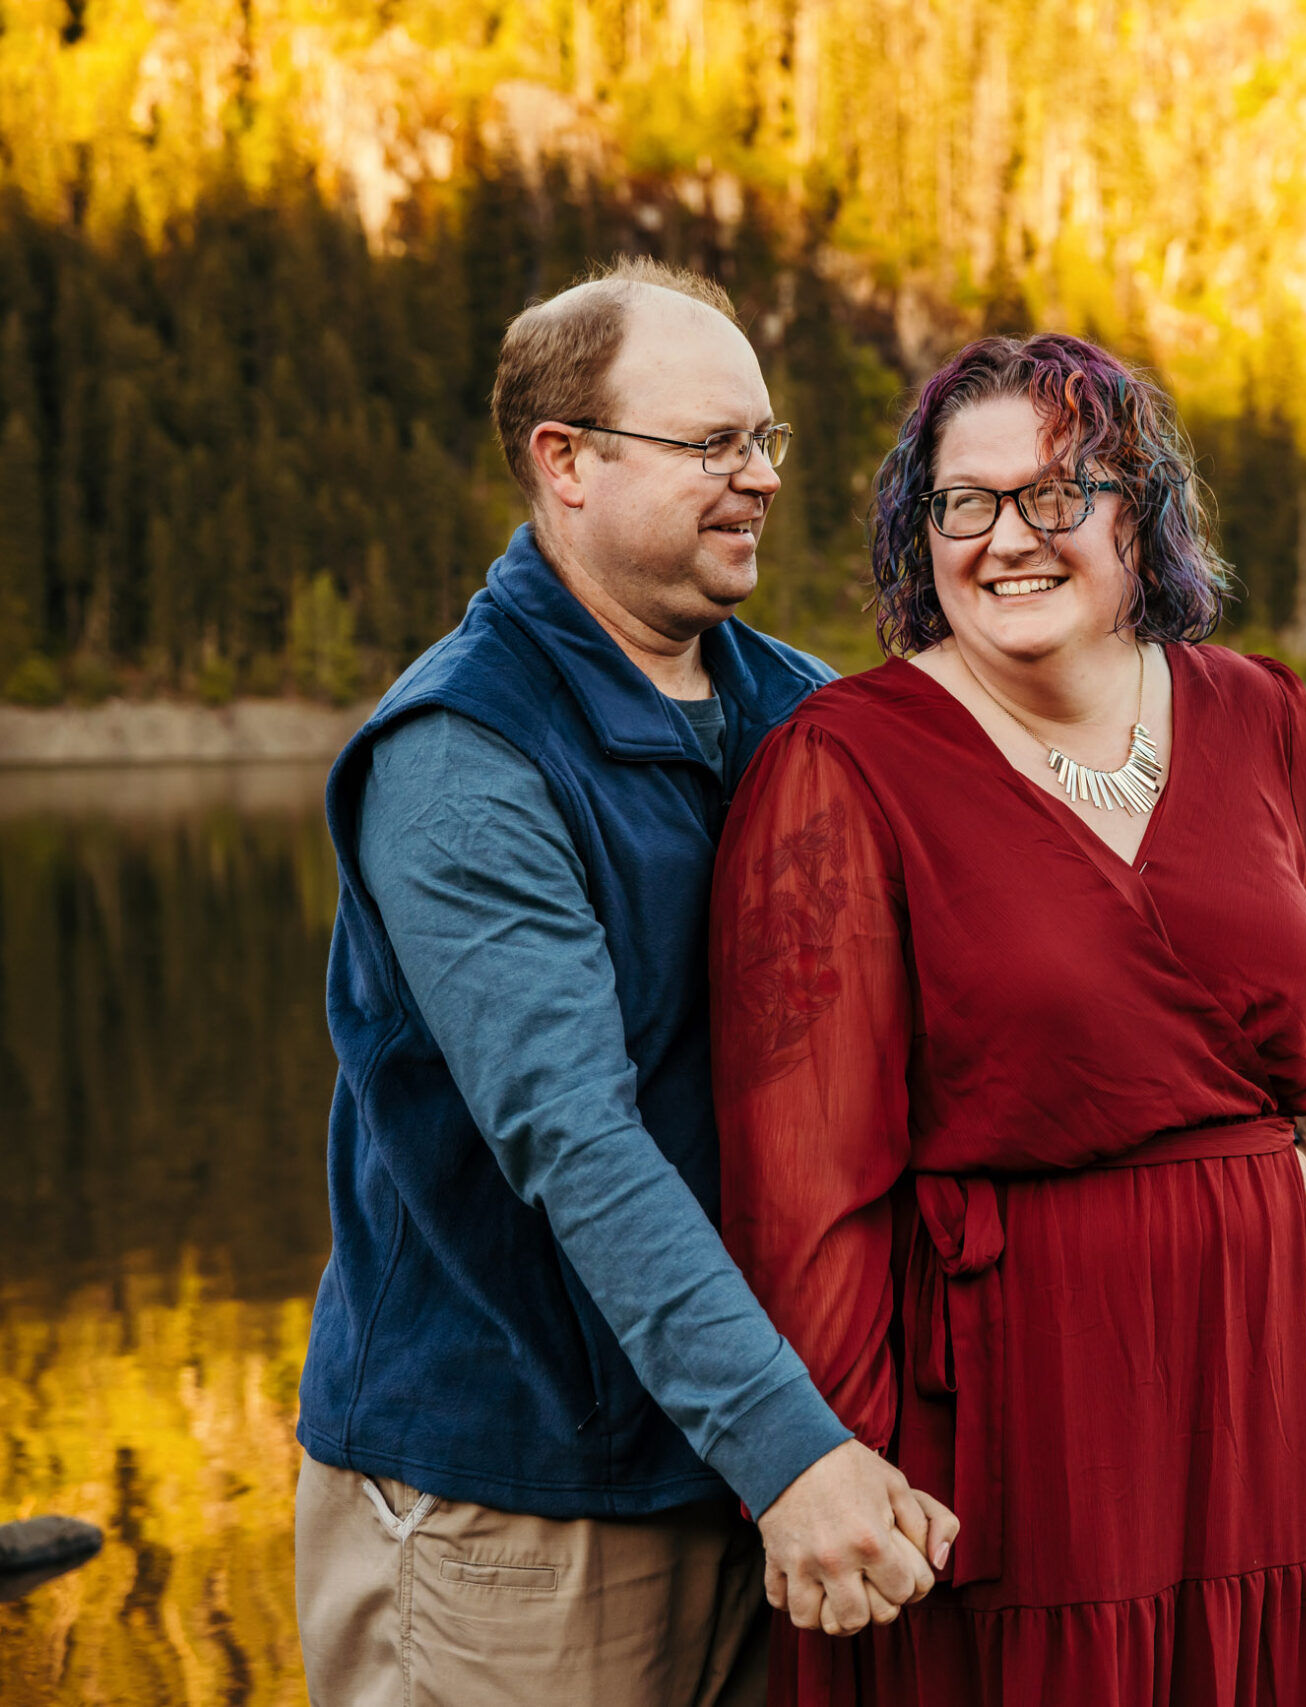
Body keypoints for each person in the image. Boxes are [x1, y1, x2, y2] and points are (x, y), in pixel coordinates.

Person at [295, 256, 956, 1707]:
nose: (760, 478)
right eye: (713, 443)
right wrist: (791, 1447)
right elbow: (579, 1143)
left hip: (745, 1467)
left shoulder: (800, 708)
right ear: (568, 463)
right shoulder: (463, 756)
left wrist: (1255, 1129)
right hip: (514, 1507)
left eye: (767, 441)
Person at [708, 332, 1306, 1706]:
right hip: (1015, 1396)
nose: (1008, 538)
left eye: (1058, 493)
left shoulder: (1256, 712)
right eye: (966, 503)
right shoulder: (843, 763)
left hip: (1234, 1375)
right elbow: (804, 1179)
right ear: (925, 533)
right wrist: (824, 1462)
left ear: (1141, 519)